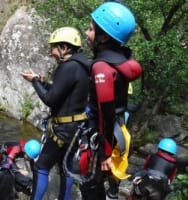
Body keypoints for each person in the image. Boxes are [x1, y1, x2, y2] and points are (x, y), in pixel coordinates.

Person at [80, 2, 142, 199]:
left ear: (104, 37)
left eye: (91, 29)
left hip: (104, 135)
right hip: (118, 128)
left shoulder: (101, 68)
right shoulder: (121, 59)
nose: (86, 32)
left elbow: (105, 113)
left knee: (90, 184)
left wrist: (105, 154)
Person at [21, 26, 91, 200]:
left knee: (41, 166)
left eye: (53, 47)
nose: (50, 52)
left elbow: (50, 100)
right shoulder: (82, 66)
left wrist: (34, 81)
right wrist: (43, 83)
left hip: (63, 129)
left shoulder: (68, 67)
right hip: (76, 128)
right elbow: (61, 95)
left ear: (65, 48)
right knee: (65, 167)